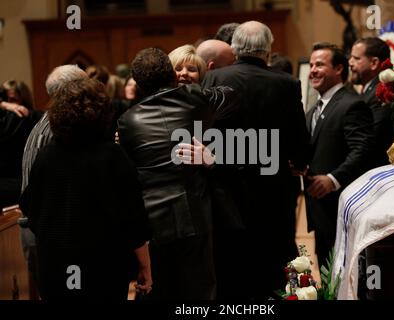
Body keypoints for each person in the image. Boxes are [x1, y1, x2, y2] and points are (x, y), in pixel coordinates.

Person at [201, 20, 311, 299]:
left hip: (224, 189)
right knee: (272, 264)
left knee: (229, 265)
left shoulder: (214, 79)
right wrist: (298, 161)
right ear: (268, 50)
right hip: (272, 189)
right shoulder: (287, 83)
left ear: (235, 48)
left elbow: (202, 133)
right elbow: (299, 137)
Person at [117, 47, 238, 300]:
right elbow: (232, 95)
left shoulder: (128, 121)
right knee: (199, 292)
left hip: (152, 221)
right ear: (171, 74)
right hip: (193, 214)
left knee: (158, 290)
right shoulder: (196, 98)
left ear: (138, 84)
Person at [20, 77, 152, 300]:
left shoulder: (46, 156)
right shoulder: (112, 156)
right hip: (103, 265)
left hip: (56, 264)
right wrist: (145, 266)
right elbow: (134, 220)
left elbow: (29, 208)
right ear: (102, 111)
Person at [19, 65, 89, 292]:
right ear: (75, 91)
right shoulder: (60, 128)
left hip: (41, 229)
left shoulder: (49, 121)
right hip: (48, 233)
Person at [305, 42, 374, 268]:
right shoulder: (314, 109)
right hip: (319, 210)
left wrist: (333, 179)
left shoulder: (352, 105)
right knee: (327, 276)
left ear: (338, 69)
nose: (313, 69)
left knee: (344, 276)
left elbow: (362, 151)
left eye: (320, 64)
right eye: (312, 64)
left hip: (343, 207)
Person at [349, 37, 394, 168]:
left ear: (374, 63)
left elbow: (370, 140)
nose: (350, 63)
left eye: (356, 59)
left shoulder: (380, 93)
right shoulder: (369, 90)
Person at [0, 80, 38, 209]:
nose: (13, 106)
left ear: (24, 98)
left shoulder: (29, 116)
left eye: (14, 100)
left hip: (19, 179)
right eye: (7, 100)